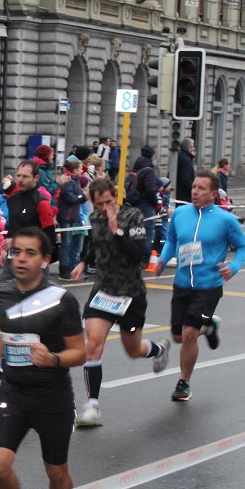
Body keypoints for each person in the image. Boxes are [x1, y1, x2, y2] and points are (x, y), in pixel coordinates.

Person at [0, 228, 85, 489]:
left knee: (56, 471)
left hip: (52, 395)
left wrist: (52, 359)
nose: (21, 258)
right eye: (17, 252)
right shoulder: (3, 291)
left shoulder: (61, 300)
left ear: (45, 260)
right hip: (14, 392)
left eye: (30, 253)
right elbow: (2, 327)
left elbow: (80, 353)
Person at [70, 179, 171, 427]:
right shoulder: (94, 218)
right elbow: (98, 243)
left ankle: (158, 350)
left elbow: (139, 254)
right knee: (93, 343)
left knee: (133, 350)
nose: (105, 207)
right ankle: (92, 406)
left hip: (130, 293)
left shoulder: (133, 216)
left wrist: (117, 229)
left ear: (116, 197)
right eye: (100, 203)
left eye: (109, 201)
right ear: (93, 201)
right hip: (103, 290)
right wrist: (84, 261)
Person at [155, 170, 245, 402]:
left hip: (209, 285)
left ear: (213, 194)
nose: (195, 192)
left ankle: (184, 382)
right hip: (182, 283)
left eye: (201, 189)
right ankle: (209, 327)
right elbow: (172, 241)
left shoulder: (225, 219)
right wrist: (162, 259)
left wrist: (234, 267)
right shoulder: (180, 213)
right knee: (178, 336)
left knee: (188, 334)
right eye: (194, 187)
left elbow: (243, 245)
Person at [55, 157, 87, 281]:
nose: (82, 171)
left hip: (71, 215)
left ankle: (69, 266)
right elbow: (71, 198)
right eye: (80, 168)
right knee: (66, 243)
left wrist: (81, 196)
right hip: (66, 215)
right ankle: (64, 268)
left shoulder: (75, 181)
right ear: (74, 170)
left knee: (70, 243)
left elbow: (77, 197)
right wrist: (82, 196)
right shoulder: (68, 181)